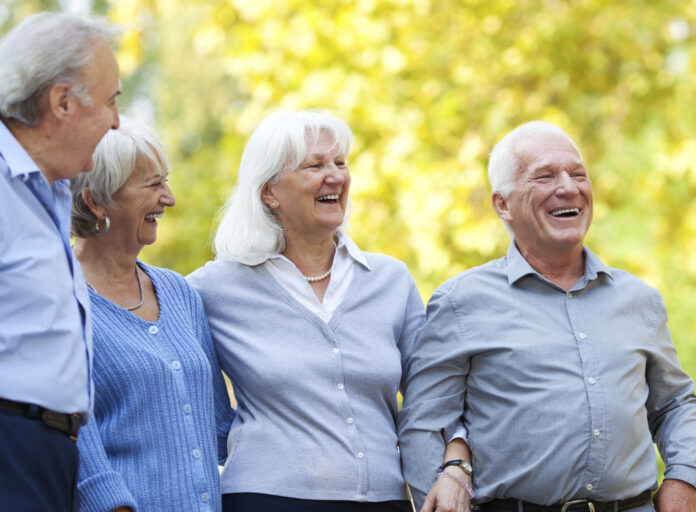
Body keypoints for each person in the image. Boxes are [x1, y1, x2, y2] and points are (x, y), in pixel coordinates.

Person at [398, 121, 696, 512]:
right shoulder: (460, 302)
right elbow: (423, 423)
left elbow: (675, 404)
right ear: (502, 204)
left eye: (578, 174)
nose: (568, 187)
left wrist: (687, 477)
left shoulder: (639, 299)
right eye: (545, 176)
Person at [187, 110, 425, 512]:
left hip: (384, 499)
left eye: (340, 163)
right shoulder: (215, 286)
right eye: (314, 165)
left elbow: (430, 394)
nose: (335, 176)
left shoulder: (391, 280)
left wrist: (452, 468)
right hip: (267, 499)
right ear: (269, 192)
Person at [69, 117, 234, 511]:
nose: (170, 198)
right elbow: (78, 440)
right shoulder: (62, 298)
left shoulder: (179, 293)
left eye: (166, 181)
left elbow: (219, 427)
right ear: (96, 200)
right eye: (153, 184)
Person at [0, 12, 120, 511]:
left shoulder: (46, 191)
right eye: (112, 101)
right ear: (63, 102)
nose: (117, 121)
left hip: (49, 453)